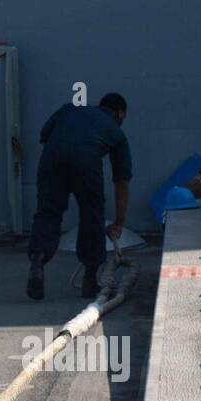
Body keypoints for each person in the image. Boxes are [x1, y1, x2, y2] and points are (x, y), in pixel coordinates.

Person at [26, 93, 132, 301]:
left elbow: (44, 135)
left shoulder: (68, 109)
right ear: (119, 114)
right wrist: (119, 221)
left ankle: (38, 261)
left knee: (48, 212)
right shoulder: (116, 132)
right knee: (91, 216)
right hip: (87, 162)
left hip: (51, 159)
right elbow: (121, 182)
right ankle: (90, 279)